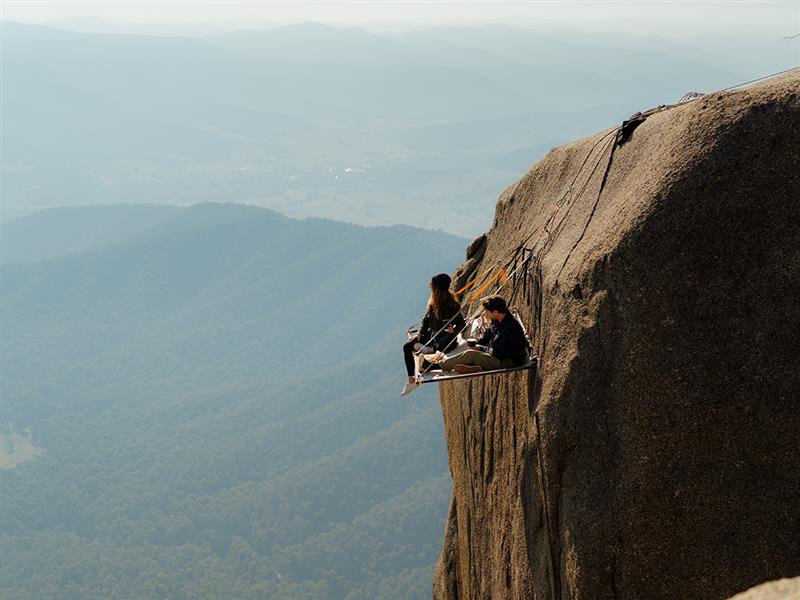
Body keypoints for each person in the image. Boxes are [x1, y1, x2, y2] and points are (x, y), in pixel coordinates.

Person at [401, 273, 466, 396]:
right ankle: (411, 379)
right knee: (407, 346)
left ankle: (427, 350)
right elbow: (425, 320)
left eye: (432, 284)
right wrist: (420, 334)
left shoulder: (452, 304)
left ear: (436, 287)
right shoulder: (433, 303)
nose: (429, 286)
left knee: (432, 355)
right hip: (432, 336)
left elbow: (461, 324)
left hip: (444, 339)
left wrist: (454, 331)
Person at [439, 294, 529, 374]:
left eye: (487, 311)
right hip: (497, 355)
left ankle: (440, 366)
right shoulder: (497, 320)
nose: (485, 313)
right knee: (470, 350)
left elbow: (500, 353)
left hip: (508, 361)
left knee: (470, 354)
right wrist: (477, 344)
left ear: (495, 312)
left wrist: (481, 348)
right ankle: (474, 367)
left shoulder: (510, 328)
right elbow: (487, 335)